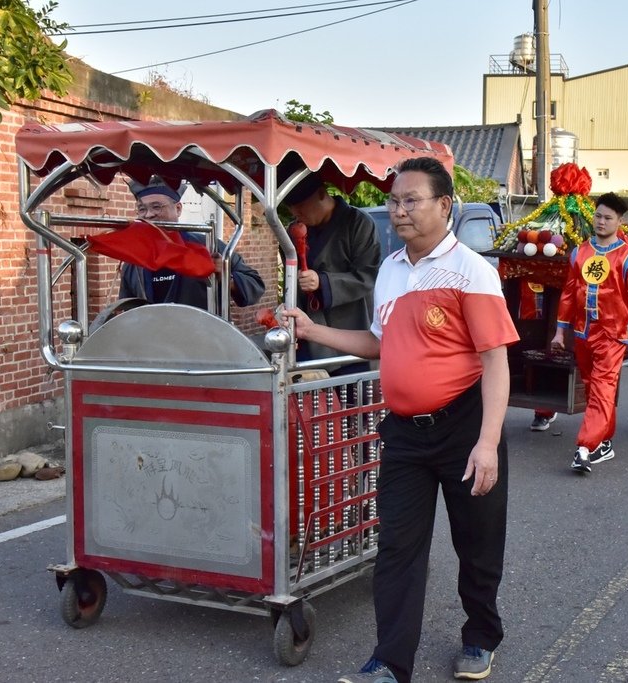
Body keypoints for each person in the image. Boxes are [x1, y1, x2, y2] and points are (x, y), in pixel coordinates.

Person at [283, 157, 517, 683]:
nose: (399, 210)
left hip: (466, 426)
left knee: (476, 544)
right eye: (394, 201)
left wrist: (487, 442)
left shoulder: (470, 272)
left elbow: (495, 361)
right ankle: (390, 662)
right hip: (405, 434)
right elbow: (379, 343)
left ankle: (480, 636)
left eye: (412, 200)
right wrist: (313, 331)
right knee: (397, 548)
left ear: (444, 205)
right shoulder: (390, 269)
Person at [550, 193, 628, 473]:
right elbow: (569, 294)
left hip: (613, 334)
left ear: (619, 222)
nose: (601, 222)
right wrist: (560, 331)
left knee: (601, 389)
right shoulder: (579, 252)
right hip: (583, 333)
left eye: (608, 218)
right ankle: (605, 442)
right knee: (593, 387)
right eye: (598, 216)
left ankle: (584, 447)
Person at [283, 172, 381, 374]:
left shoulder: (359, 223)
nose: (296, 214)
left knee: (351, 398)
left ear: (321, 194)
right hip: (308, 333)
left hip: (351, 332)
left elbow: (367, 276)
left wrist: (323, 282)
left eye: (301, 207)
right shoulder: (293, 231)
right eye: (292, 210)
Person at [120, 176, 265, 309]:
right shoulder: (135, 261)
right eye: (142, 209)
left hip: (201, 335)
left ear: (178, 209)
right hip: (152, 336)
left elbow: (255, 286)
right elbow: (127, 311)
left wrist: (225, 275)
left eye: (157, 207)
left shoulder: (208, 246)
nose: (149, 215)